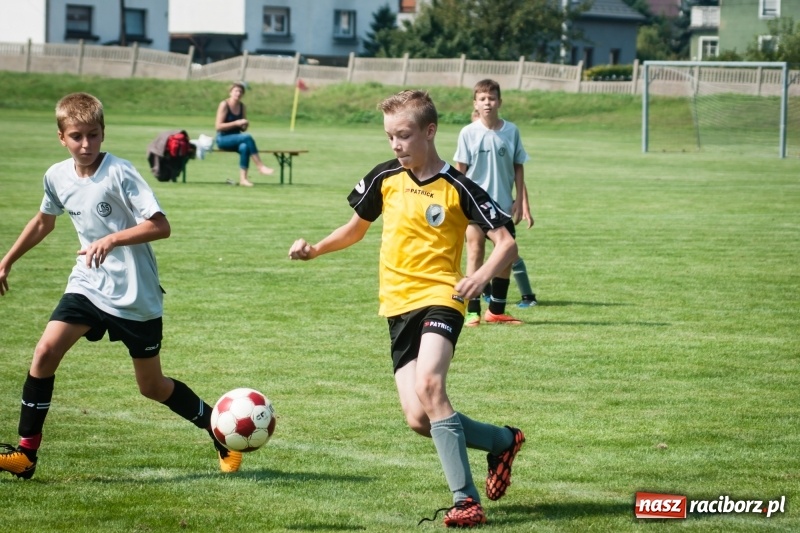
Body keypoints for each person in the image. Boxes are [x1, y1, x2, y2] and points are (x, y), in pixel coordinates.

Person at [288, 90, 525, 528]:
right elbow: (355, 229)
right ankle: (502, 440)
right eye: (390, 137)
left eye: (404, 136)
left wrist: (477, 278)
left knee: (432, 386)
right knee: (419, 418)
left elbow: (506, 243)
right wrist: (316, 249)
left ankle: (465, 501)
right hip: (397, 308)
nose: (395, 145)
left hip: (441, 298)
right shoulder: (385, 178)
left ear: (430, 131)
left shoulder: (457, 186)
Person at [0, 92, 241, 479]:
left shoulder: (119, 172)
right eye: (77, 136)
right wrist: (7, 260)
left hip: (135, 296)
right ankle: (26, 455)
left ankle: (219, 432)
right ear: (62, 137)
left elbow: (160, 226)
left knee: (152, 386)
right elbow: (45, 220)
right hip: (88, 285)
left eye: (93, 135)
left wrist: (111, 239)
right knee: (45, 352)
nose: (86, 144)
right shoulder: (56, 176)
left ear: (103, 133)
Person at [455, 79, 536, 328]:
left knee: (506, 256)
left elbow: (518, 166)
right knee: (475, 252)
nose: (487, 103)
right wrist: (458, 206)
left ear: (499, 102)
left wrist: (521, 202)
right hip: (475, 207)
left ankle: (496, 311)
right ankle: (472, 311)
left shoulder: (511, 131)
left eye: (491, 98)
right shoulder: (468, 133)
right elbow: (460, 173)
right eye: (482, 99)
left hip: (502, 206)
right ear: (475, 103)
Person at [215, 81, 274, 187]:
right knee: (247, 138)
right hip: (223, 139)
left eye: (240, 91)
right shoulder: (224, 104)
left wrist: (244, 125)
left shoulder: (242, 107)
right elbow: (218, 126)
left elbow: (243, 130)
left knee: (244, 147)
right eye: (236, 91)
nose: (238, 93)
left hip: (236, 139)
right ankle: (260, 166)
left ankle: (243, 179)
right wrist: (236, 123)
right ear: (230, 92)